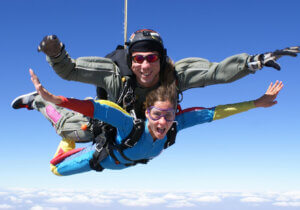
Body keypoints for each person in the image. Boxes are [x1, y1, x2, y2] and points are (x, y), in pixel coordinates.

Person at [12, 29, 299, 143]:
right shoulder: (114, 74)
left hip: (145, 127)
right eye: (138, 58)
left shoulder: (174, 75)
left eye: (151, 58)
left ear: (160, 59)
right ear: (131, 59)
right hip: (111, 121)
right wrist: (56, 54)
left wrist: (255, 62)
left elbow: (216, 73)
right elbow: (71, 70)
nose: (145, 66)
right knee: (71, 130)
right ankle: (39, 103)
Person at [30, 69, 283, 176]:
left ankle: (64, 129)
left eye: (169, 116)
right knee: (55, 170)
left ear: (175, 115)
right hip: (101, 158)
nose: (162, 122)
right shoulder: (131, 126)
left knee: (57, 168)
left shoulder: (175, 126)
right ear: (146, 113)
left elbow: (214, 112)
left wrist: (256, 103)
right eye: (156, 115)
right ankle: (45, 109)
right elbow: (101, 109)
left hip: (117, 163)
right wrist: (57, 99)